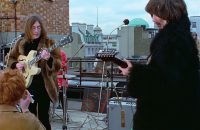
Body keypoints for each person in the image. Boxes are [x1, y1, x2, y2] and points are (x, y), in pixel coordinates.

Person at [119, 0, 200, 130]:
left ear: (165, 12)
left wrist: (133, 72)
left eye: (153, 14)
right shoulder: (183, 38)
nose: (152, 19)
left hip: (162, 120)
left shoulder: (170, 42)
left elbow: (161, 86)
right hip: (182, 117)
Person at [6, 15, 61, 130]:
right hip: (25, 85)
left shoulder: (49, 43)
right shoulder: (20, 43)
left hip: (43, 86)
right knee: (28, 116)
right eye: (33, 28)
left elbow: (58, 65)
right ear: (28, 28)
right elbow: (10, 58)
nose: (36, 31)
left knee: (43, 117)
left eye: (38, 27)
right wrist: (16, 64)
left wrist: (49, 58)